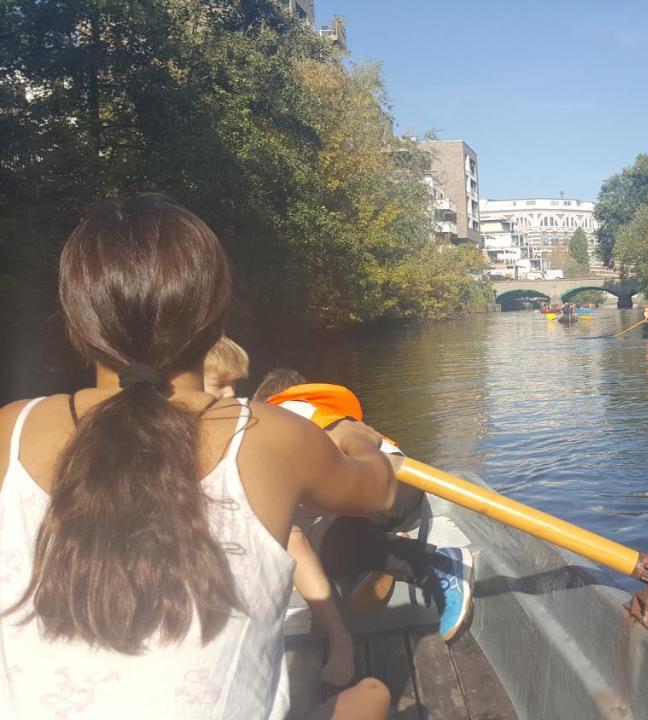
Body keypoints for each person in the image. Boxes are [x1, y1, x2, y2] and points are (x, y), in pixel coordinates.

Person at [0, 196, 392, 718]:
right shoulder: (270, 435)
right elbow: (380, 489)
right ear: (214, 318)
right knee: (373, 695)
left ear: (77, 321)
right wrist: (354, 435)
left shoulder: (12, 426)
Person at [252, 371, 474, 643]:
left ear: (265, 402)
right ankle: (377, 553)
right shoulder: (309, 411)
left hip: (385, 491)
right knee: (308, 542)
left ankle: (436, 563)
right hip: (399, 490)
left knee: (309, 547)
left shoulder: (282, 417)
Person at [204, 343, 357, 687]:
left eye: (236, 384)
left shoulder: (241, 423)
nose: (233, 394)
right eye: (220, 385)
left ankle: (339, 638)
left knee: (292, 535)